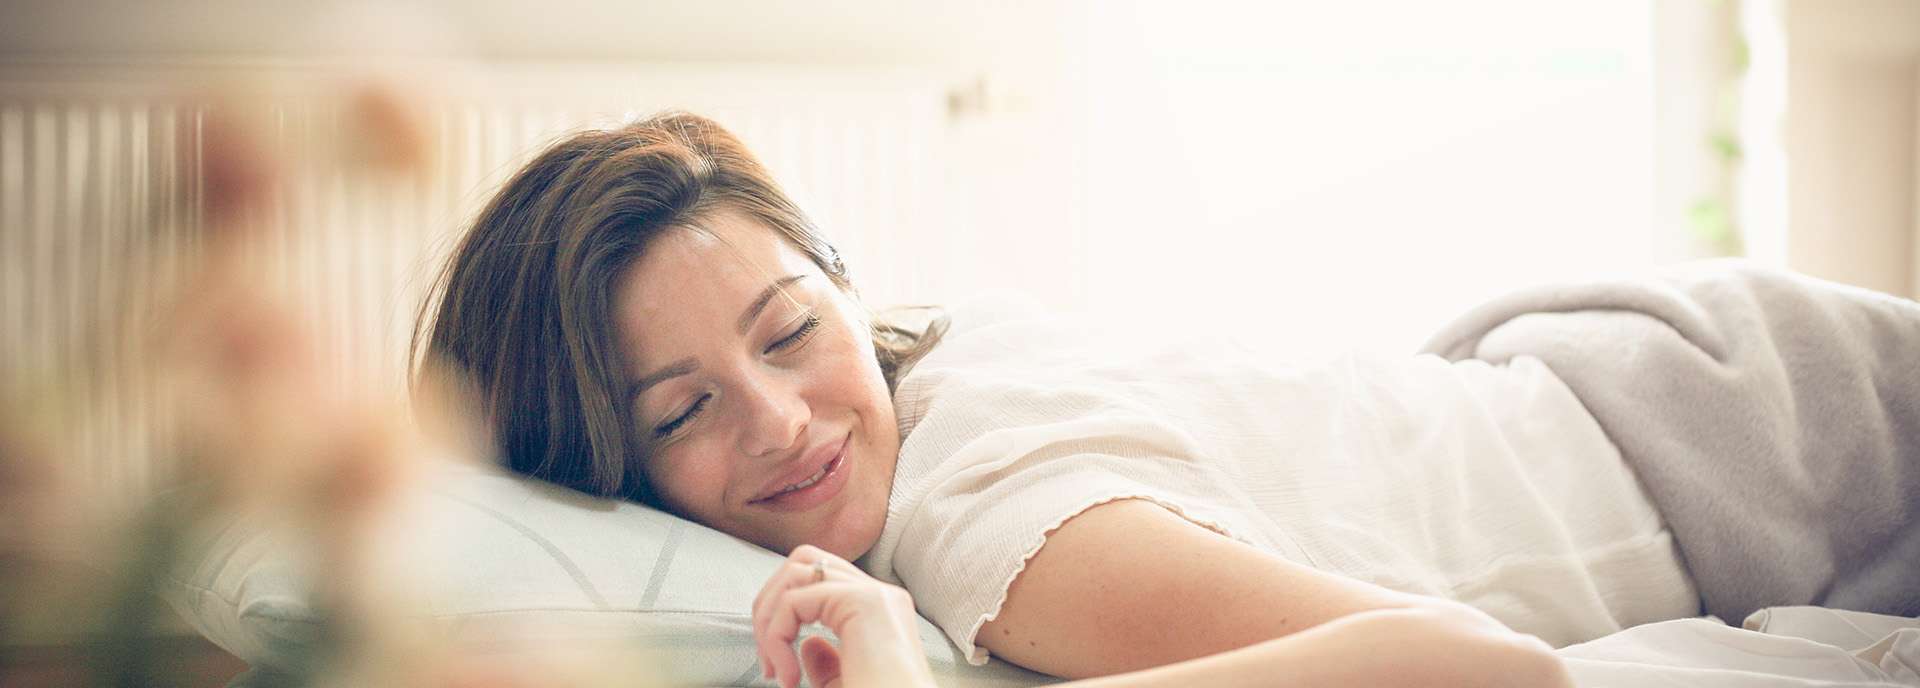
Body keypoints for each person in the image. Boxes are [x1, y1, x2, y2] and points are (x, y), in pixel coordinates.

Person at [415, 112, 1920, 688]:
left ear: (847, 288)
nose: (784, 421)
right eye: (680, 414)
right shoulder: (932, 406)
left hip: (1762, 435)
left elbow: (1475, 671)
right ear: (602, 469)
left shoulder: (991, 516)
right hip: (1674, 382)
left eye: (794, 330)